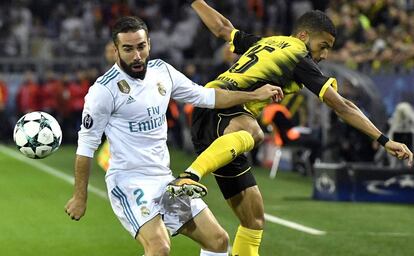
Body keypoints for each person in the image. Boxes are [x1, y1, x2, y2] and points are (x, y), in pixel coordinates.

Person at [167, 1, 414, 256]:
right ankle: (189, 176)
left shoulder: (264, 42)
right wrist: (384, 140)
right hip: (227, 104)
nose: (324, 55)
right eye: (323, 46)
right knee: (254, 132)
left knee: (253, 220)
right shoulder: (298, 56)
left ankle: (193, 174)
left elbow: (222, 28)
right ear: (304, 36)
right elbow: (343, 107)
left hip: (212, 110)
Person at [64, 16, 283, 256]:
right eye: (128, 49)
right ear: (115, 50)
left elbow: (207, 97)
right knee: (159, 248)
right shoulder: (103, 91)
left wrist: (253, 95)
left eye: (141, 46)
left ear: (149, 44)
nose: (136, 55)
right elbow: (85, 148)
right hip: (130, 182)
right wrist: (79, 197)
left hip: (166, 181)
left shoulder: (162, 72)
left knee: (218, 241)